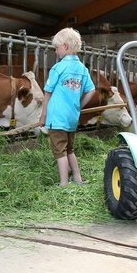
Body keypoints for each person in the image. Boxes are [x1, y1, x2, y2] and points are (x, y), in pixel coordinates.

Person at [39, 27, 95, 186]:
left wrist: (43, 115)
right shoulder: (82, 69)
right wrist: (79, 105)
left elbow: (47, 93)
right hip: (71, 117)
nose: (56, 52)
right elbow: (91, 90)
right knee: (70, 149)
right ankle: (77, 178)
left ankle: (63, 183)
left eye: (56, 48)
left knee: (59, 151)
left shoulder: (58, 68)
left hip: (56, 117)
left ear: (65, 46)